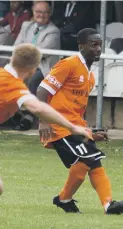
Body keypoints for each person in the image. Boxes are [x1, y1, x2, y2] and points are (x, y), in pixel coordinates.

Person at [36, 28, 123, 214]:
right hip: (59, 125)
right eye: (93, 45)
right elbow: (42, 91)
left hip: (74, 127)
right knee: (87, 159)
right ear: (81, 46)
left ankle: (106, 204)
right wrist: (44, 120)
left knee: (93, 161)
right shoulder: (69, 64)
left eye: (100, 45)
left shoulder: (90, 75)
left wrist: (89, 132)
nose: (98, 49)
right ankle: (67, 199)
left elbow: (76, 109)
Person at [0, 43, 92, 196]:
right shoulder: (12, 85)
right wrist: (73, 127)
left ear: (12, 58)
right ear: (34, 69)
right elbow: (39, 108)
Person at [12, 0, 61, 131]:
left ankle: (28, 117)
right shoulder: (26, 26)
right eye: (39, 12)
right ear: (33, 12)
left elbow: (41, 53)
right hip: (25, 64)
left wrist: (24, 52)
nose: (41, 15)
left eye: (45, 12)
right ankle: (13, 112)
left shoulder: (54, 31)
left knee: (34, 81)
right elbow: (16, 46)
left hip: (43, 68)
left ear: (50, 14)